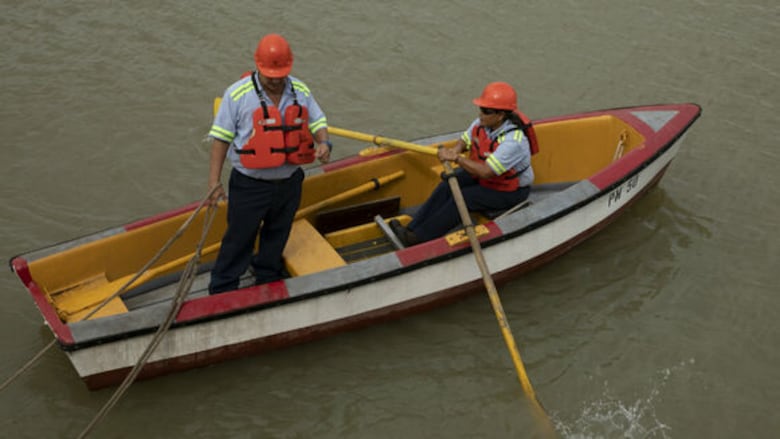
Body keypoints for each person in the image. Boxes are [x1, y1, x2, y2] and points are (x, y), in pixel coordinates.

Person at [207, 34, 332, 294]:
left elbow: (318, 121)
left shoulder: (301, 90)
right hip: (249, 184)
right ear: (258, 67)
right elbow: (220, 139)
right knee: (239, 238)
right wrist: (214, 182)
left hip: (289, 182)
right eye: (270, 75)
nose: (275, 81)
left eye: (281, 74)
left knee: (278, 233)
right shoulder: (237, 95)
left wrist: (324, 143)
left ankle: (267, 275)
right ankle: (222, 286)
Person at [390, 81, 538, 247]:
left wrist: (457, 159)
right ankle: (411, 229)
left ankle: (420, 238)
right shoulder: (482, 123)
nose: (480, 114)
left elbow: (486, 172)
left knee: (466, 198)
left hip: (510, 191)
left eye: (485, 111)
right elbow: (465, 140)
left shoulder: (513, 142)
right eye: (481, 109)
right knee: (447, 185)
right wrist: (455, 151)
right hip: (488, 179)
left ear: (501, 115)